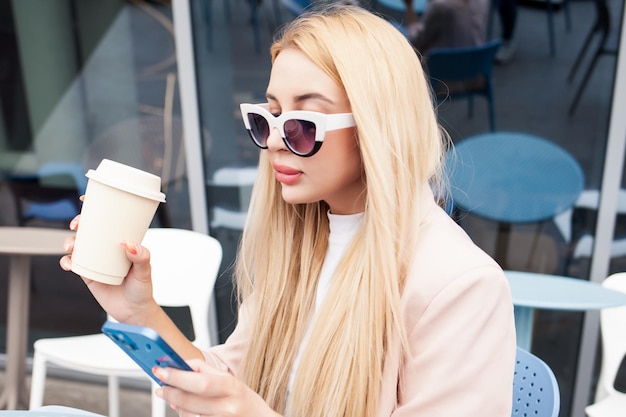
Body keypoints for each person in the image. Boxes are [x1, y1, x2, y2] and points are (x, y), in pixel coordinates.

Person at [60, 4, 516, 417]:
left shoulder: (459, 286)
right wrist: (139, 313)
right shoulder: (303, 246)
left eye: (302, 124)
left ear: (376, 128)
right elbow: (227, 385)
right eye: (267, 118)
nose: (275, 141)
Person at [403, 0, 490, 56]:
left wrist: (409, 7)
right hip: (476, 72)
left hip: (443, 78)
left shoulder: (439, 7)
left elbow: (415, 43)